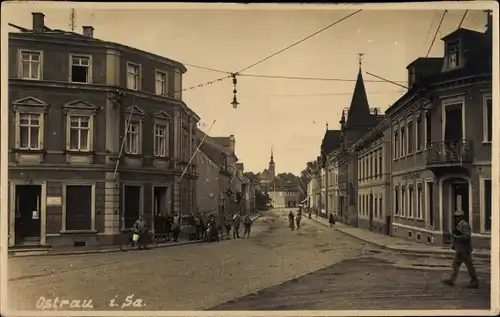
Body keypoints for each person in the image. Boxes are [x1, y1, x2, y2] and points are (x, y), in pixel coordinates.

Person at [442, 209, 478, 288]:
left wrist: (457, 237)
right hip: (460, 249)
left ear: (461, 217)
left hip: (465, 249)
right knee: (455, 264)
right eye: (455, 217)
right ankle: (451, 280)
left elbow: (466, 236)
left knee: (469, 265)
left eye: (457, 217)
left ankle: (474, 281)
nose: (456, 218)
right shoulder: (459, 224)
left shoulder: (464, 225)